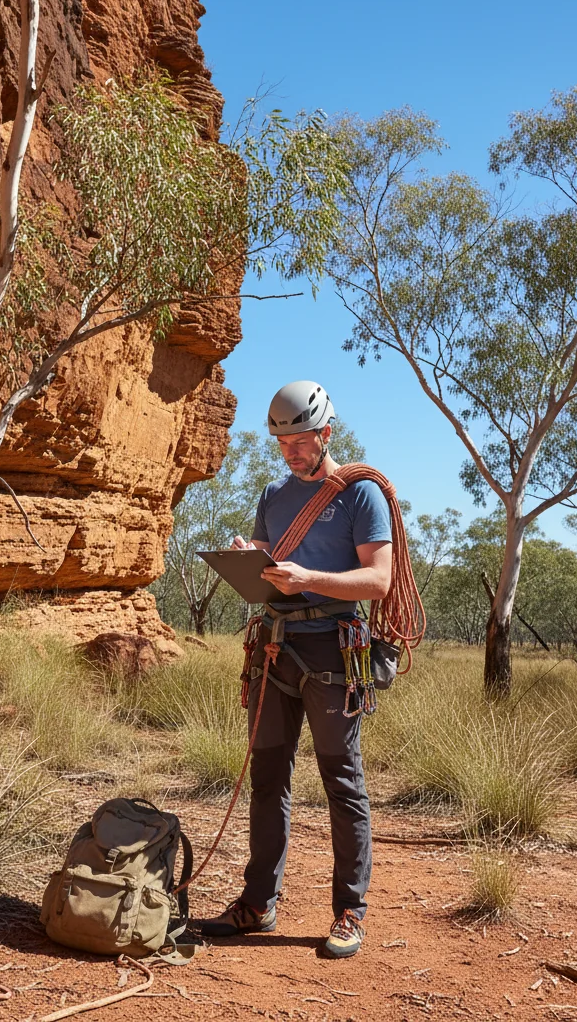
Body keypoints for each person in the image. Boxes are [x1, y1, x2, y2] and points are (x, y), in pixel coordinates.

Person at [198, 380, 392, 958]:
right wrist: (248, 556)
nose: (290, 453)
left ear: (326, 434)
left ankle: (349, 911)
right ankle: (257, 904)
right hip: (275, 650)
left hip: (333, 650)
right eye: (282, 443)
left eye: (300, 442)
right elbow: (265, 564)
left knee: (342, 782)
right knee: (267, 779)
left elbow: (378, 581)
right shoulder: (273, 493)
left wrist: (309, 578)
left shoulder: (361, 495)